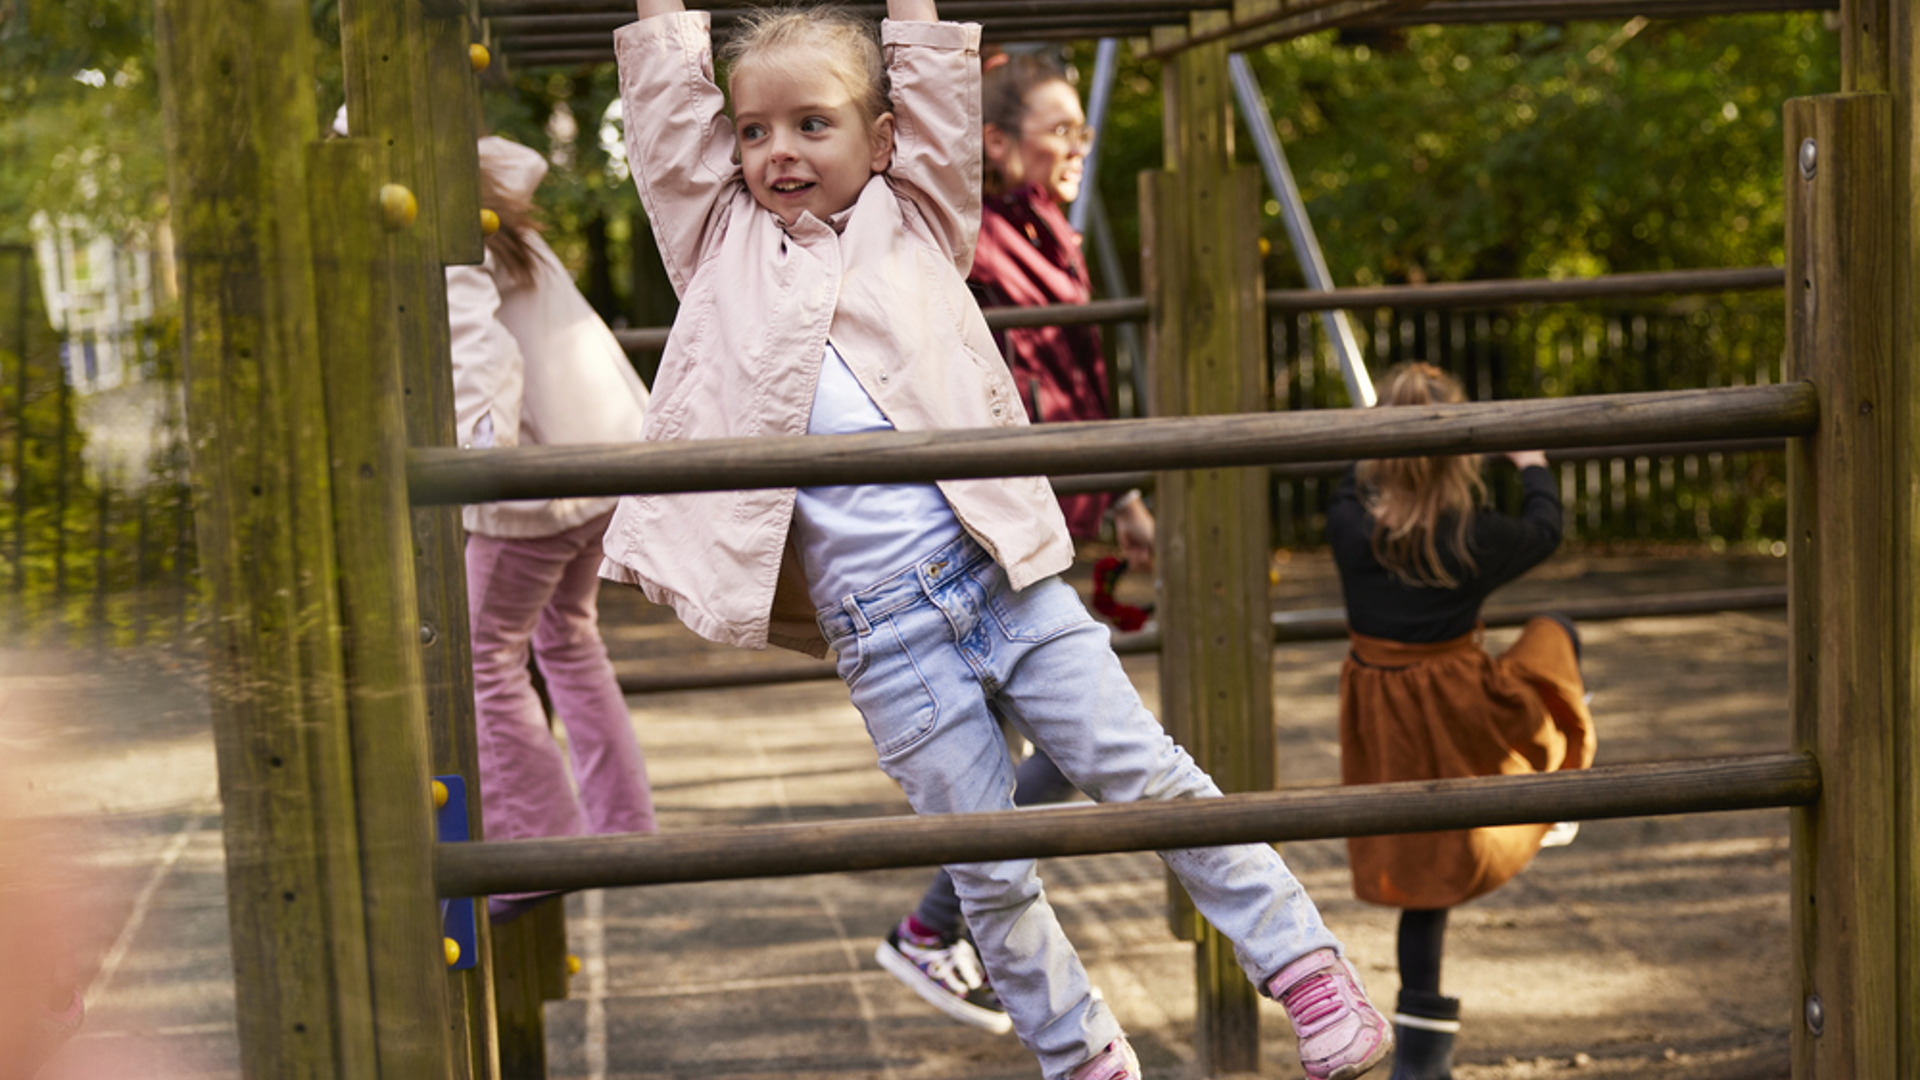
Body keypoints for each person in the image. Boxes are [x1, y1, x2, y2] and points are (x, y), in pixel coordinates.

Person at [605, 4, 1391, 1079]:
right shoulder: (716, 243)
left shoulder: (917, 214)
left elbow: (930, 69)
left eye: (812, 124)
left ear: (881, 142)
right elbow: (662, 114)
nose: (777, 150)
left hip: (1002, 577)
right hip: (881, 632)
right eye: (752, 131)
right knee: (986, 862)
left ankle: (1307, 971)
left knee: (1146, 775)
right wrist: (663, 22)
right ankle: (1082, 1059)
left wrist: (918, 23)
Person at [872, 51, 1155, 1035]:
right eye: (1059, 127)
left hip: (1053, 503)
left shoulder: (1050, 232)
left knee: (1022, 740)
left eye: (1081, 127)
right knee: (1064, 733)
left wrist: (1114, 491)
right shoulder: (972, 238)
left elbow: (1072, 366)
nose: (1077, 144)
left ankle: (942, 930)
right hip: (987, 514)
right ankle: (933, 927)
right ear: (996, 143)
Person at [1325, 362, 1597, 1080]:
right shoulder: (1471, 534)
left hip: (1380, 710)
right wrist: (1531, 459)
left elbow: (1351, 481)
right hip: (1456, 702)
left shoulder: (1350, 525)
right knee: (1556, 630)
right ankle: (1557, 790)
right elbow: (1546, 529)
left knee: (1424, 883)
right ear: (1464, 452)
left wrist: (1373, 440)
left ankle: (1420, 1061)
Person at [448, 134, 658, 923]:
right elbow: (511, 156)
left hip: (542, 473)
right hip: (604, 449)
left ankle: (537, 847)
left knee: (481, 653)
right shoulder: (492, 209)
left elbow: (477, 357)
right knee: (567, 637)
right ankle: (622, 828)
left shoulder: (449, 238)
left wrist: (479, 470)